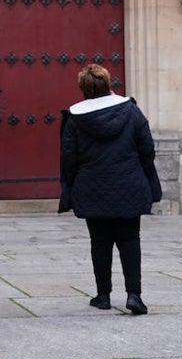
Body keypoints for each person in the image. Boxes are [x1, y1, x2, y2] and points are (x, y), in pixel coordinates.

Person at [58, 63, 161, 315]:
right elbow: (147, 148)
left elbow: (68, 158)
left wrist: (71, 185)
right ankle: (134, 295)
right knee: (129, 239)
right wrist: (144, 175)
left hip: (92, 186)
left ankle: (103, 295)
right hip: (128, 184)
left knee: (100, 241)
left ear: (83, 88)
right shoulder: (131, 110)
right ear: (108, 83)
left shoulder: (75, 118)